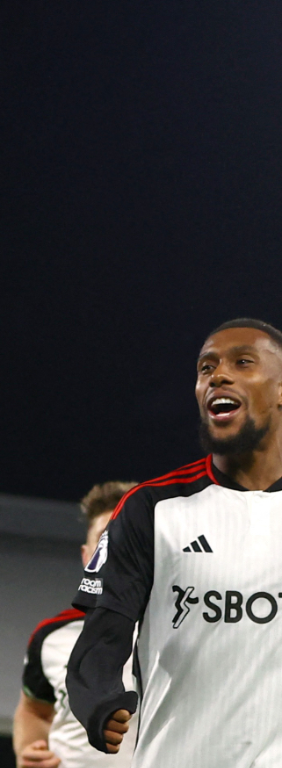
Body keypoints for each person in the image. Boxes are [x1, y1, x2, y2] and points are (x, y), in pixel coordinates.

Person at [67, 319, 282, 766]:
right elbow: (101, 638)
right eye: (206, 368)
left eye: (243, 362)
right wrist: (101, 699)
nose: (217, 376)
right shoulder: (153, 508)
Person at [14, 481, 138, 768]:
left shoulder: (190, 629)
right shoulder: (51, 636)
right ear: (87, 557)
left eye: (130, 538)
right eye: (105, 539)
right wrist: (27, 752)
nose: (116, 549)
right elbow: (34, 710)